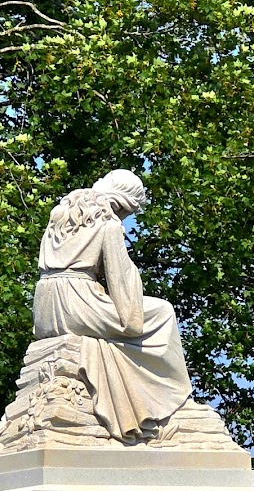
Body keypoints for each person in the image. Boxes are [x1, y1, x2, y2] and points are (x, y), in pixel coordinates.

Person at [33, 169, 192, 443]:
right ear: (122, 204)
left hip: (46, 306)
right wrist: (130, 318)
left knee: (120, 331)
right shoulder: (109, 224)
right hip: (78, 302)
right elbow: (119, 279)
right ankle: (169, 402)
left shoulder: (61, 213)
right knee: (162, 312)